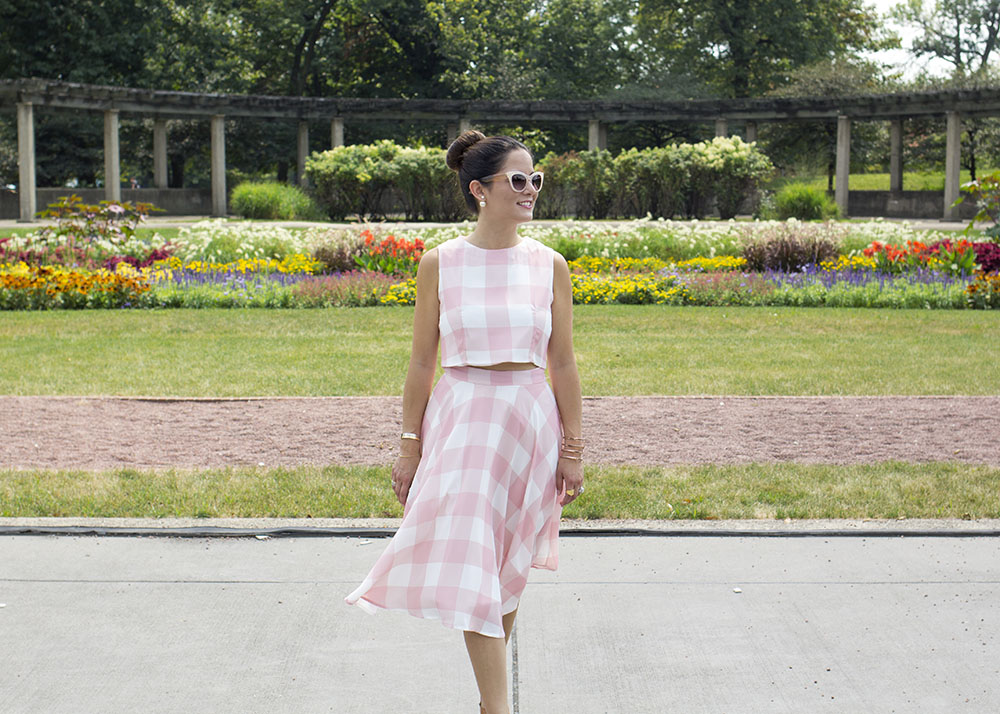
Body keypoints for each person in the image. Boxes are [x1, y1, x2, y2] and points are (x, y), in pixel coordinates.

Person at [345, 130, 584, 714]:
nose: (531, 190)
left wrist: (573, 447)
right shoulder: (440, 263)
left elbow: (564, 361)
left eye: (536, 179)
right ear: (480, 190)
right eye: (518, 180)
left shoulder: (549, 265)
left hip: (529, 420)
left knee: (508, 559)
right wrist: (409, 444)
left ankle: (489, 701)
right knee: (476, 560)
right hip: (464, 420)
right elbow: (423, 362)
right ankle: (497, 707)